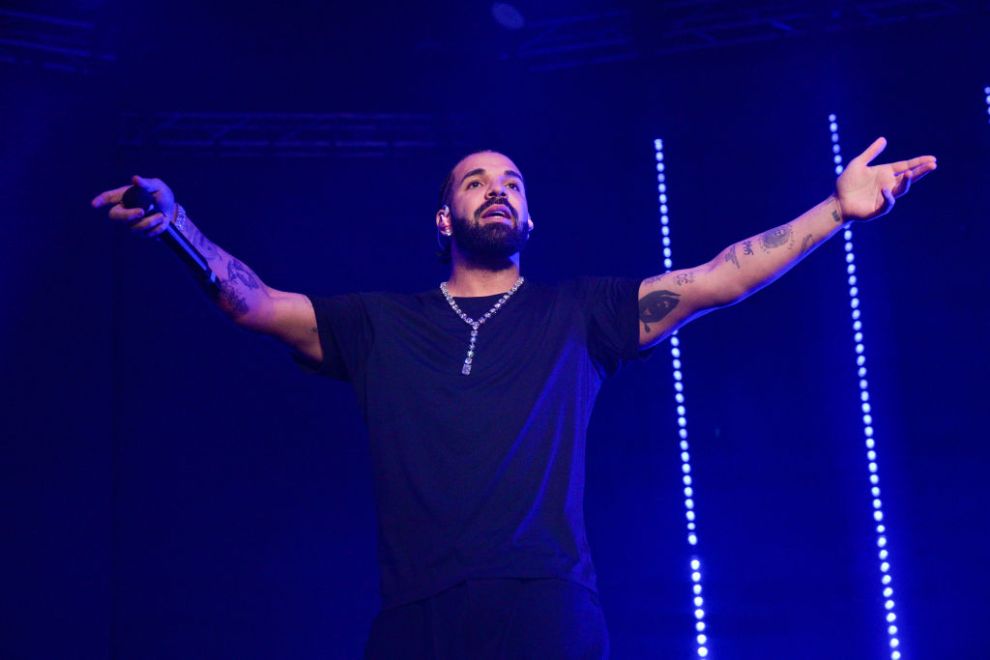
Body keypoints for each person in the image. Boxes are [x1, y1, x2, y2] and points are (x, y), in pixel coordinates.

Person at [92, 140, 935, 658]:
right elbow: (256, 303)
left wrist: (834, 209)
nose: (496, 188)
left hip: (546, 608)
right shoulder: (380, 325)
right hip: (416, 615)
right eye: (474, 181)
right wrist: (177, 227)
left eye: (512, 182)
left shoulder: (583, 313)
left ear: (529, 216)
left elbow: (720, 277)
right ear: (442, 218)